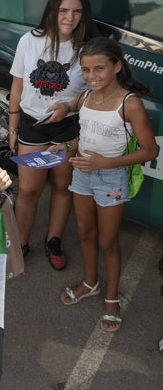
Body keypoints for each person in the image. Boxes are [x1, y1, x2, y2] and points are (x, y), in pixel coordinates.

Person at [55, 37, 157, 332]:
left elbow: (150, 151)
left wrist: (105, 164)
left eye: (99, 68)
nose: (91, 76)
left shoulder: (129, 103)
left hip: (111, 177)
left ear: (117, 66)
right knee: (85, 232)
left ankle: (111, 298)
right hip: (82, 174)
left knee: (107, 241)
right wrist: (67, 147)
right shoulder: (86, 98)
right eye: (86, 70)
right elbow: (84, 135)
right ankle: (91, 283)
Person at [7, 0, 99, 270]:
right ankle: (21, 243)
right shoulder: (29, 41)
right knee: (29, 189)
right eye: (63, 10)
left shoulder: (87, 46)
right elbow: (17, 85)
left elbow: (96, 91)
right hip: (33, 125)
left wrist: (69, 107)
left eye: (76, 12)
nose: (69, 17)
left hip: (68, 126)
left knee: (62, 184)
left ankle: (53, 240)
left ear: (84, 14)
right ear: (52, 10)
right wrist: (12, 127)